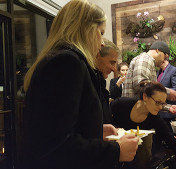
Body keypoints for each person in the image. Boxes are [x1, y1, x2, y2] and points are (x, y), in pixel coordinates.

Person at [21, 1, 138, 169]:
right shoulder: (67, 62)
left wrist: (95, 131)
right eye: (101, 32)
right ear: (86, 30)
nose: (102, 43)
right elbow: (56, 146)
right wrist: (115, 150)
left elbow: (59, 128)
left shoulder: (62, 60)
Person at [111, 82, 176, 169]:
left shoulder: (154, 119)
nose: (160, 107)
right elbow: (103, 121)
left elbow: (174, 144)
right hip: (110, 152)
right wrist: (116, 129)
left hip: (131, 157)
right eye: (158, 102)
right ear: (145, 96)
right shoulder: (121, 104)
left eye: (163, 104)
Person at [122, 41, 176, 114]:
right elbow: (140, 84)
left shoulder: (148, 61)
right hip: (134, 114)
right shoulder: (145, 59)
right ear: (157, 50)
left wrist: (169, 107)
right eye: (165, 57)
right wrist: (167, 92)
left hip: (138, 113)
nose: (164, 61)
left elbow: (151, 97)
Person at [95, 38, 120, 123]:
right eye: (112, 63)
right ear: (97, 55)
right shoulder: (91, 84)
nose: (114, 69)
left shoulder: (99, 82)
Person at [157, 58, 176, 128]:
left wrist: (162, 92)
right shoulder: (158, 71)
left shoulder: (174, 71)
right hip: (159, 112)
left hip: (169, 114)